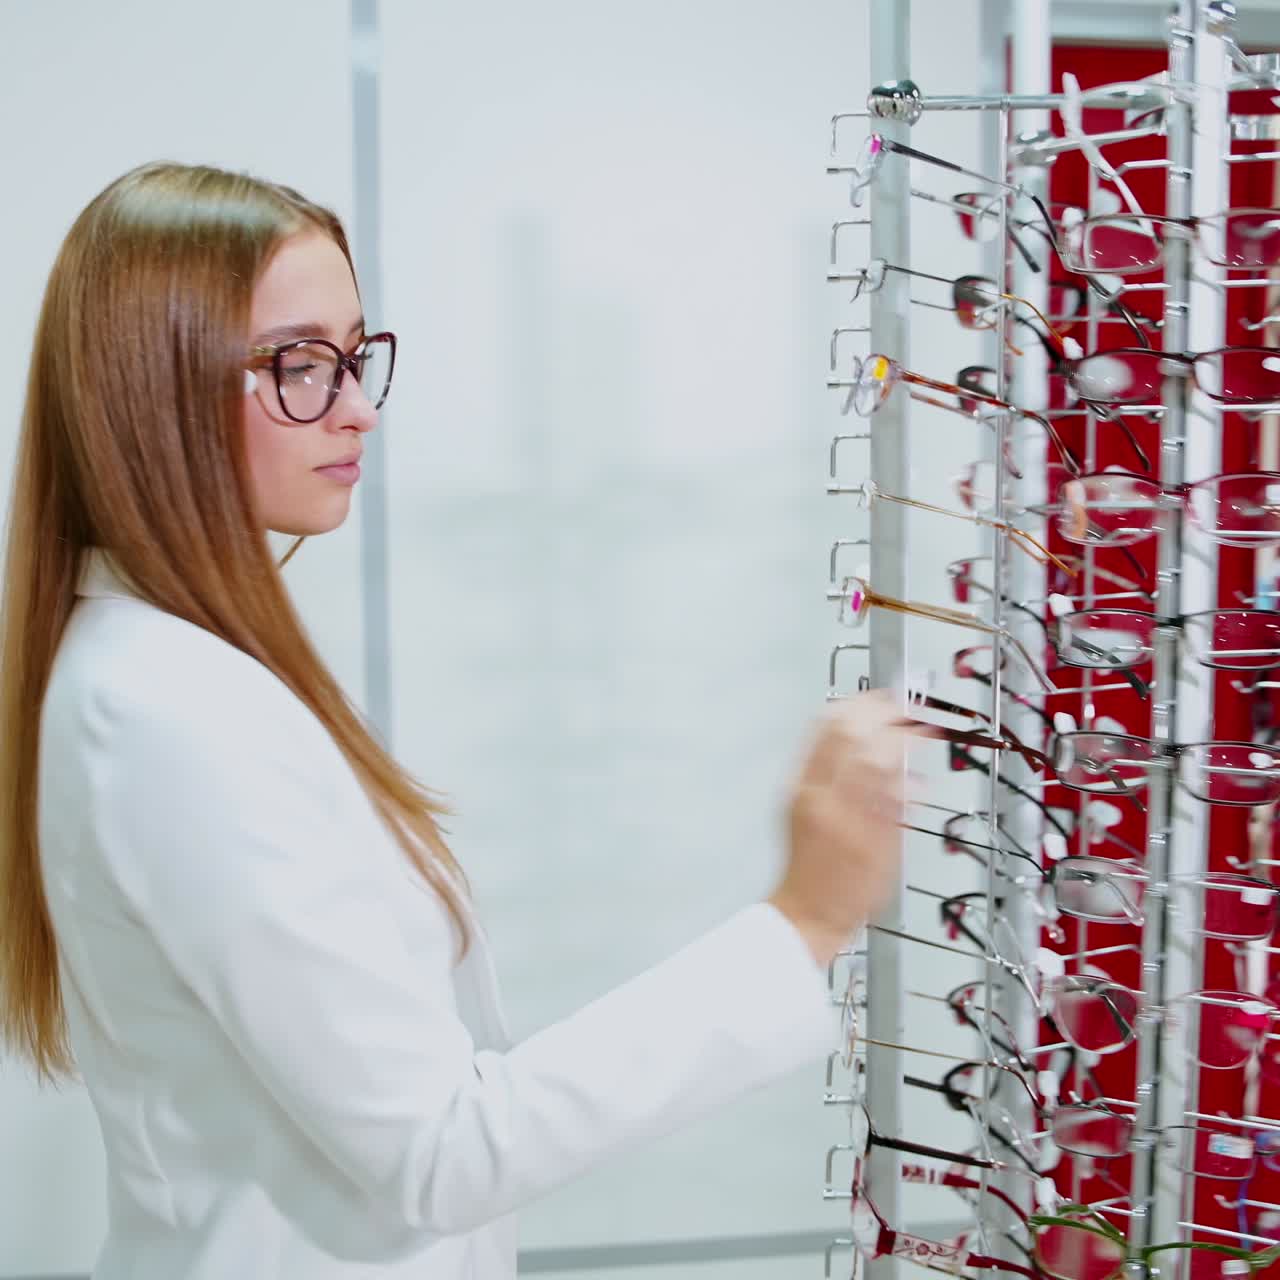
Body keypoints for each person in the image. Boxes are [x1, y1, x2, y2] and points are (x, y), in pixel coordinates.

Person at [0, 161, 923, 1279]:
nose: (358, 406)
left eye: (354, 355)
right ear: (156, 391)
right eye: (299, 365)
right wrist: (804, 919)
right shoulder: (162, 713)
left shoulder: (172, 671)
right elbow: (440, 1147)